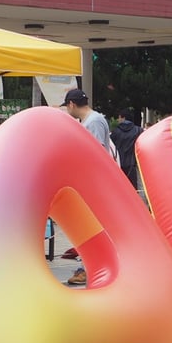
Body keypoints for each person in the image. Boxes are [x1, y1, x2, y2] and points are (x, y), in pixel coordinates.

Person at [61, 88, 111, 286]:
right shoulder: (90, 121)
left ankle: (89, 267)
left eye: (67, 106)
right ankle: (89, 266)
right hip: (91, 182)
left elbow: (96, 151)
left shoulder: (94, 121)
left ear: (72, 104)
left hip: (95, 182)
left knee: (90, 225)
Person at [110, 108, 144, 189]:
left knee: (120, 189)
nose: (118, 120)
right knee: (134, 190)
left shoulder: (115, 132)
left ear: (123, 118)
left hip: (119, 165)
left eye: (119, 118)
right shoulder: (138, 130)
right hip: (133, 165)